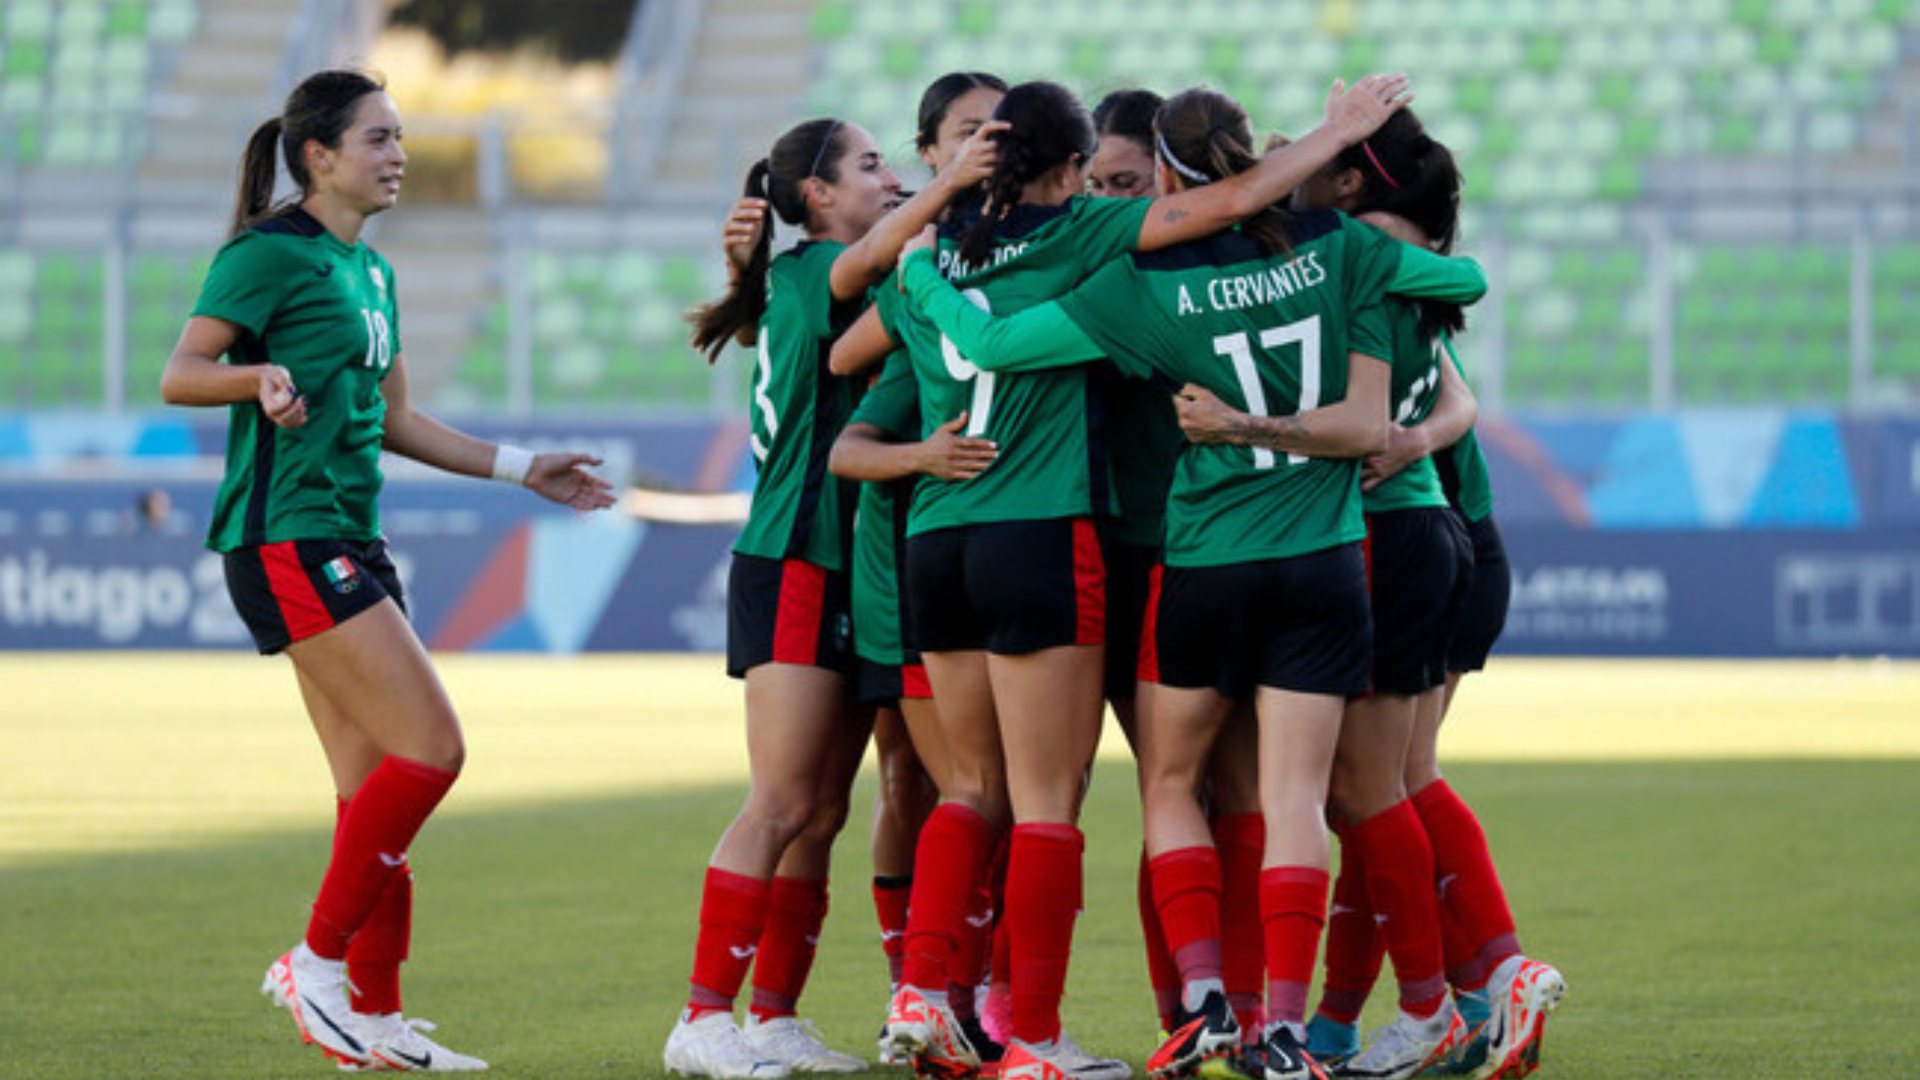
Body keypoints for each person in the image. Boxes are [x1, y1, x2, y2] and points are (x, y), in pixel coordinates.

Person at [858, 75, 1415, 1080]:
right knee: (1059, 800)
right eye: (1099, 179)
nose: (1116, 199)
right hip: (1063, 540)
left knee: (990, 788)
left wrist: (925, 245)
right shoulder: (1090, 243)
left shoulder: (938, 256)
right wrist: (1337, 135)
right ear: (1072, 173)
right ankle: (1047, 1030)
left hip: (948, 539)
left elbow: (857, 333)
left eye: (1132, 183)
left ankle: (932, 997)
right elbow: (1238, 202)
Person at [159, 69, 615, 1074]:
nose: (398, 154)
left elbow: (399, 422)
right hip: (285, 540)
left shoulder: (373, 272)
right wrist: (256, 376)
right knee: (433, 748)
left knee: (371, 790)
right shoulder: (268, 254)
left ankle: (374, 1018)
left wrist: (519, 469)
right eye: (378, 138)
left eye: (400, 136)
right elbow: (181, 372)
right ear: (317, 155)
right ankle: (315, 964)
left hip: (350, 539)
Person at [1179, 111, 1563, 1080]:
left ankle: (1473, 986)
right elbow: (1459, 390)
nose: (1289, 164)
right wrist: (1422, 438)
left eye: (1314, 152)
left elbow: (1397, 411)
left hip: (1399, 534)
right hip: (1434, 532)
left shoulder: (1352, 260)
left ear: (1350, 184)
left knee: (1378, 788)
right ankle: (1360, 1025)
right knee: (1370, 792)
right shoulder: (1385, 259)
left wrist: (1243, 425)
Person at [663, 113, 1000, 1080]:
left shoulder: (809, 274)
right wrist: (949, 180)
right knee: (778, 802)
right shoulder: (816, 270)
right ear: (814, 197)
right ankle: (701, 1016)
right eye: (866, 166)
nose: (886, 177)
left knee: (821, 813)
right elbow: (874, 265)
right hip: (798, 558)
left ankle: (772, 1017)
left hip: (846, 566)